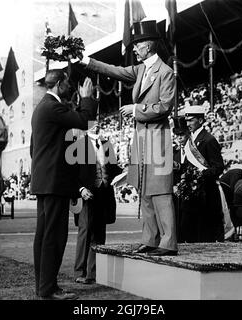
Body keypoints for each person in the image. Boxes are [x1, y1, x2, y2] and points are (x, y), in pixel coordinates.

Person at [79, 20, 178, 256]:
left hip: (157, 138)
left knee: (161, 192)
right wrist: (86, 60)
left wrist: (135, 110)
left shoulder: (166, 73)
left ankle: (168, 242)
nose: (134, 48)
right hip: (142, 139)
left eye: (137, 44)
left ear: (149, 45)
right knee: (144, 189)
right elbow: (115, 70)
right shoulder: (142, 69)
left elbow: (165, 106)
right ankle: (151, 238)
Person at [30, 70, 97, 300]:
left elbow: (33, 149)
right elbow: (86, 121)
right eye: (67, 83)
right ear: (59, 84)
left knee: (44, 236)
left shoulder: (43, 107)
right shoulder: (52, 107)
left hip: (45, 181)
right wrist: (87, 97)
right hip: (54, 183)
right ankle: (48, 289)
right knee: (54, 238)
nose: (70, 87)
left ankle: (44, 287)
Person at [74, 124, 122, 284]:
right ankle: (80, 271)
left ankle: (92, 274)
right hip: (87, 194)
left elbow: (114, 169)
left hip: (104, 194)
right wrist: (80, 189)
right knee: (85, 231)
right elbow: (71, 172)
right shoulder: (79, 145)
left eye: (97, 122)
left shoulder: (107, 144)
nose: (95, 125)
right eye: (91, 122)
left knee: (99, 235)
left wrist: (127, 173)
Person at [179, 105, 225, 243]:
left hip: (206, 194)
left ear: (200, 120)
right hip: (192, 194)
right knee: (188, 233)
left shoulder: (209, 140)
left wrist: (200, 174)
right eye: (186, 121)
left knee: (204, 235)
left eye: (191, 120)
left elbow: (218, 167)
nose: (188, 124)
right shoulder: (190, 141)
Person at [172, 117, 189, 242]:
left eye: (182, 134)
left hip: (190, 194)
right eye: (177, 135)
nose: (179, 138)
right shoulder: (174, 152)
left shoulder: (193, 149)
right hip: (176, 194)